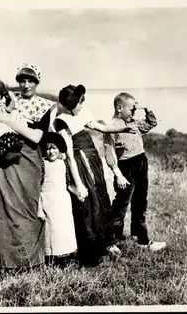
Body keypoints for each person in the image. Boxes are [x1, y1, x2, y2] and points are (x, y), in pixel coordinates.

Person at [0, 63, 58, 271]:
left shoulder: (44, 106)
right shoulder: (8, 98)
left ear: (37, 82)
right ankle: (0, 261)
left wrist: (8, 119)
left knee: (26, 209)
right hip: (2, 158)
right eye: (22, 80)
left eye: (30, 80)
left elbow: (36, 136)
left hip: (28, 160)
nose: (25, 85)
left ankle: (27, 261)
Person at [54, 84, 136, 267]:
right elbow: (68, 154)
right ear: (72, 103)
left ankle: (107, 242)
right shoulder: (62, 121)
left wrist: (122, 130)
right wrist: (78, 182)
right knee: (88, 204)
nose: (83, 105)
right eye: (80, 102)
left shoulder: (81, 114)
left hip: (93, 159)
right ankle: (90, 249)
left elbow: (101, 128)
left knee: (101, 198)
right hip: (80, 164)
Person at [103, 92, 166, 251]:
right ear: (119, 108)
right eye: (132, 109)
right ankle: (112, 241)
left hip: (141, 163)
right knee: (121, 204)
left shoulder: (134, 123)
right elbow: (109, 152)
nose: (134, 112)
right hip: (126, 167)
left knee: (140, 201)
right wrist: (118, 175)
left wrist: (146, 108)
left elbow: (152, 123)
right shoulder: (112, 126)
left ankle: (141, 239)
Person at [37, 132, 78, 268]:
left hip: (62, 200)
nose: (51, 151)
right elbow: (37, 187)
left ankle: (64, 258)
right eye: (48, 148)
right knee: (51, 231)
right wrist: (39, 208)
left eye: (54, 148)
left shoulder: (63, 163)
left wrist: (77, 192)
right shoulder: (43, 164)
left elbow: (67, 182)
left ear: (60, 149)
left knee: (63, 230)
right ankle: (50, 260)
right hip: (48, 200)